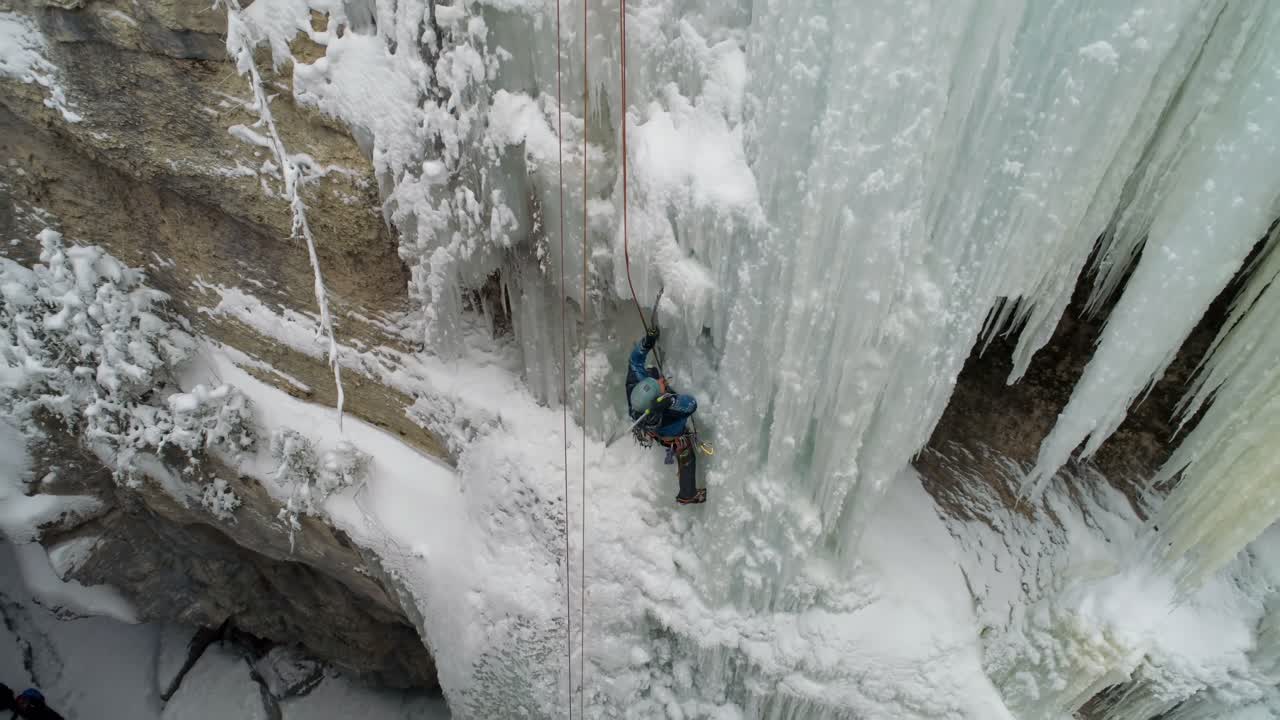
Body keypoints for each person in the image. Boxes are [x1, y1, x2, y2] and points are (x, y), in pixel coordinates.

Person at [625, 327, 706, 504]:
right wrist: (670, 402)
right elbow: (691, 404)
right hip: (668, 431)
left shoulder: (635, 388)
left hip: (646, 420)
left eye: (656, 382)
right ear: (658, 398)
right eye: (660, 385)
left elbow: (635, 361)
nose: (661, 381)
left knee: (651, 370)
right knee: (685, 452)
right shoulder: (668, 414)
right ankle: (688, 494)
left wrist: (646, 343)